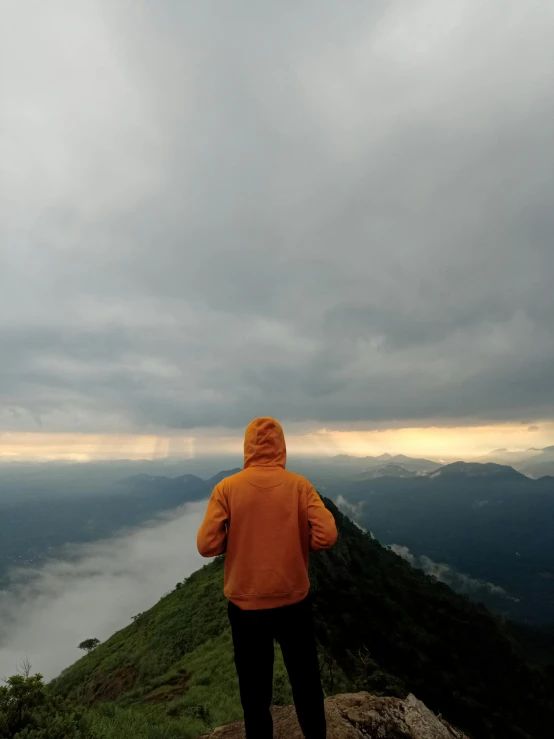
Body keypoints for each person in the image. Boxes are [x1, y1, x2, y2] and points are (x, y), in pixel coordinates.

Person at [197, 417, 338, 739]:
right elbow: (327, 535)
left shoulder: (227, 488)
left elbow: (206, 546)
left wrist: (232, 542)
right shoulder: (299, 485)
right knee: (305, 681)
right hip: (294, 601)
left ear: (247, 447)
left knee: (254, 689)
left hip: (246, 606)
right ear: (281, 446)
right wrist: (304, 542)